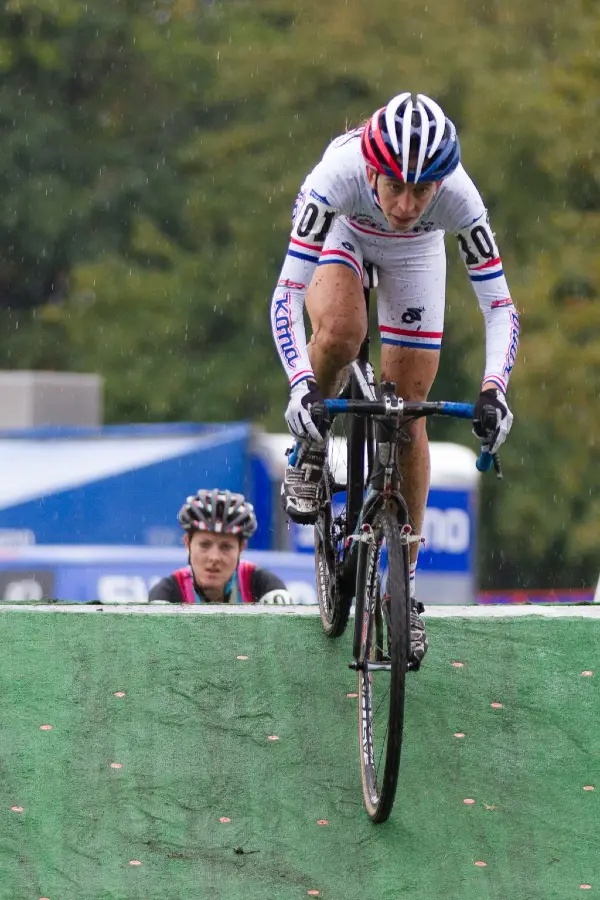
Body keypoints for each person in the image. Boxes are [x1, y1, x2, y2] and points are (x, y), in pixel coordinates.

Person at [270, 92, 519, 666]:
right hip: (344, 234)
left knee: (409, 411)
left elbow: (500, 307)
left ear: (441, 183)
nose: (407, 203)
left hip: (417, 257)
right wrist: (300, 382)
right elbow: (285, 295)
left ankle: (401, 587)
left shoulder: (458, 196)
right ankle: (311, 446)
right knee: (341, 331)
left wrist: (494, 389)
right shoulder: (337, 174)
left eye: (422, 191)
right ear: (373, 170)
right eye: (396, 187)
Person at [148, 489, 293, 605]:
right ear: (187, 544)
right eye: (204, 545)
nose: (214, 558)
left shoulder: (264, 585)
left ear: (241, 548)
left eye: (226, 547)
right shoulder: (167, 592)